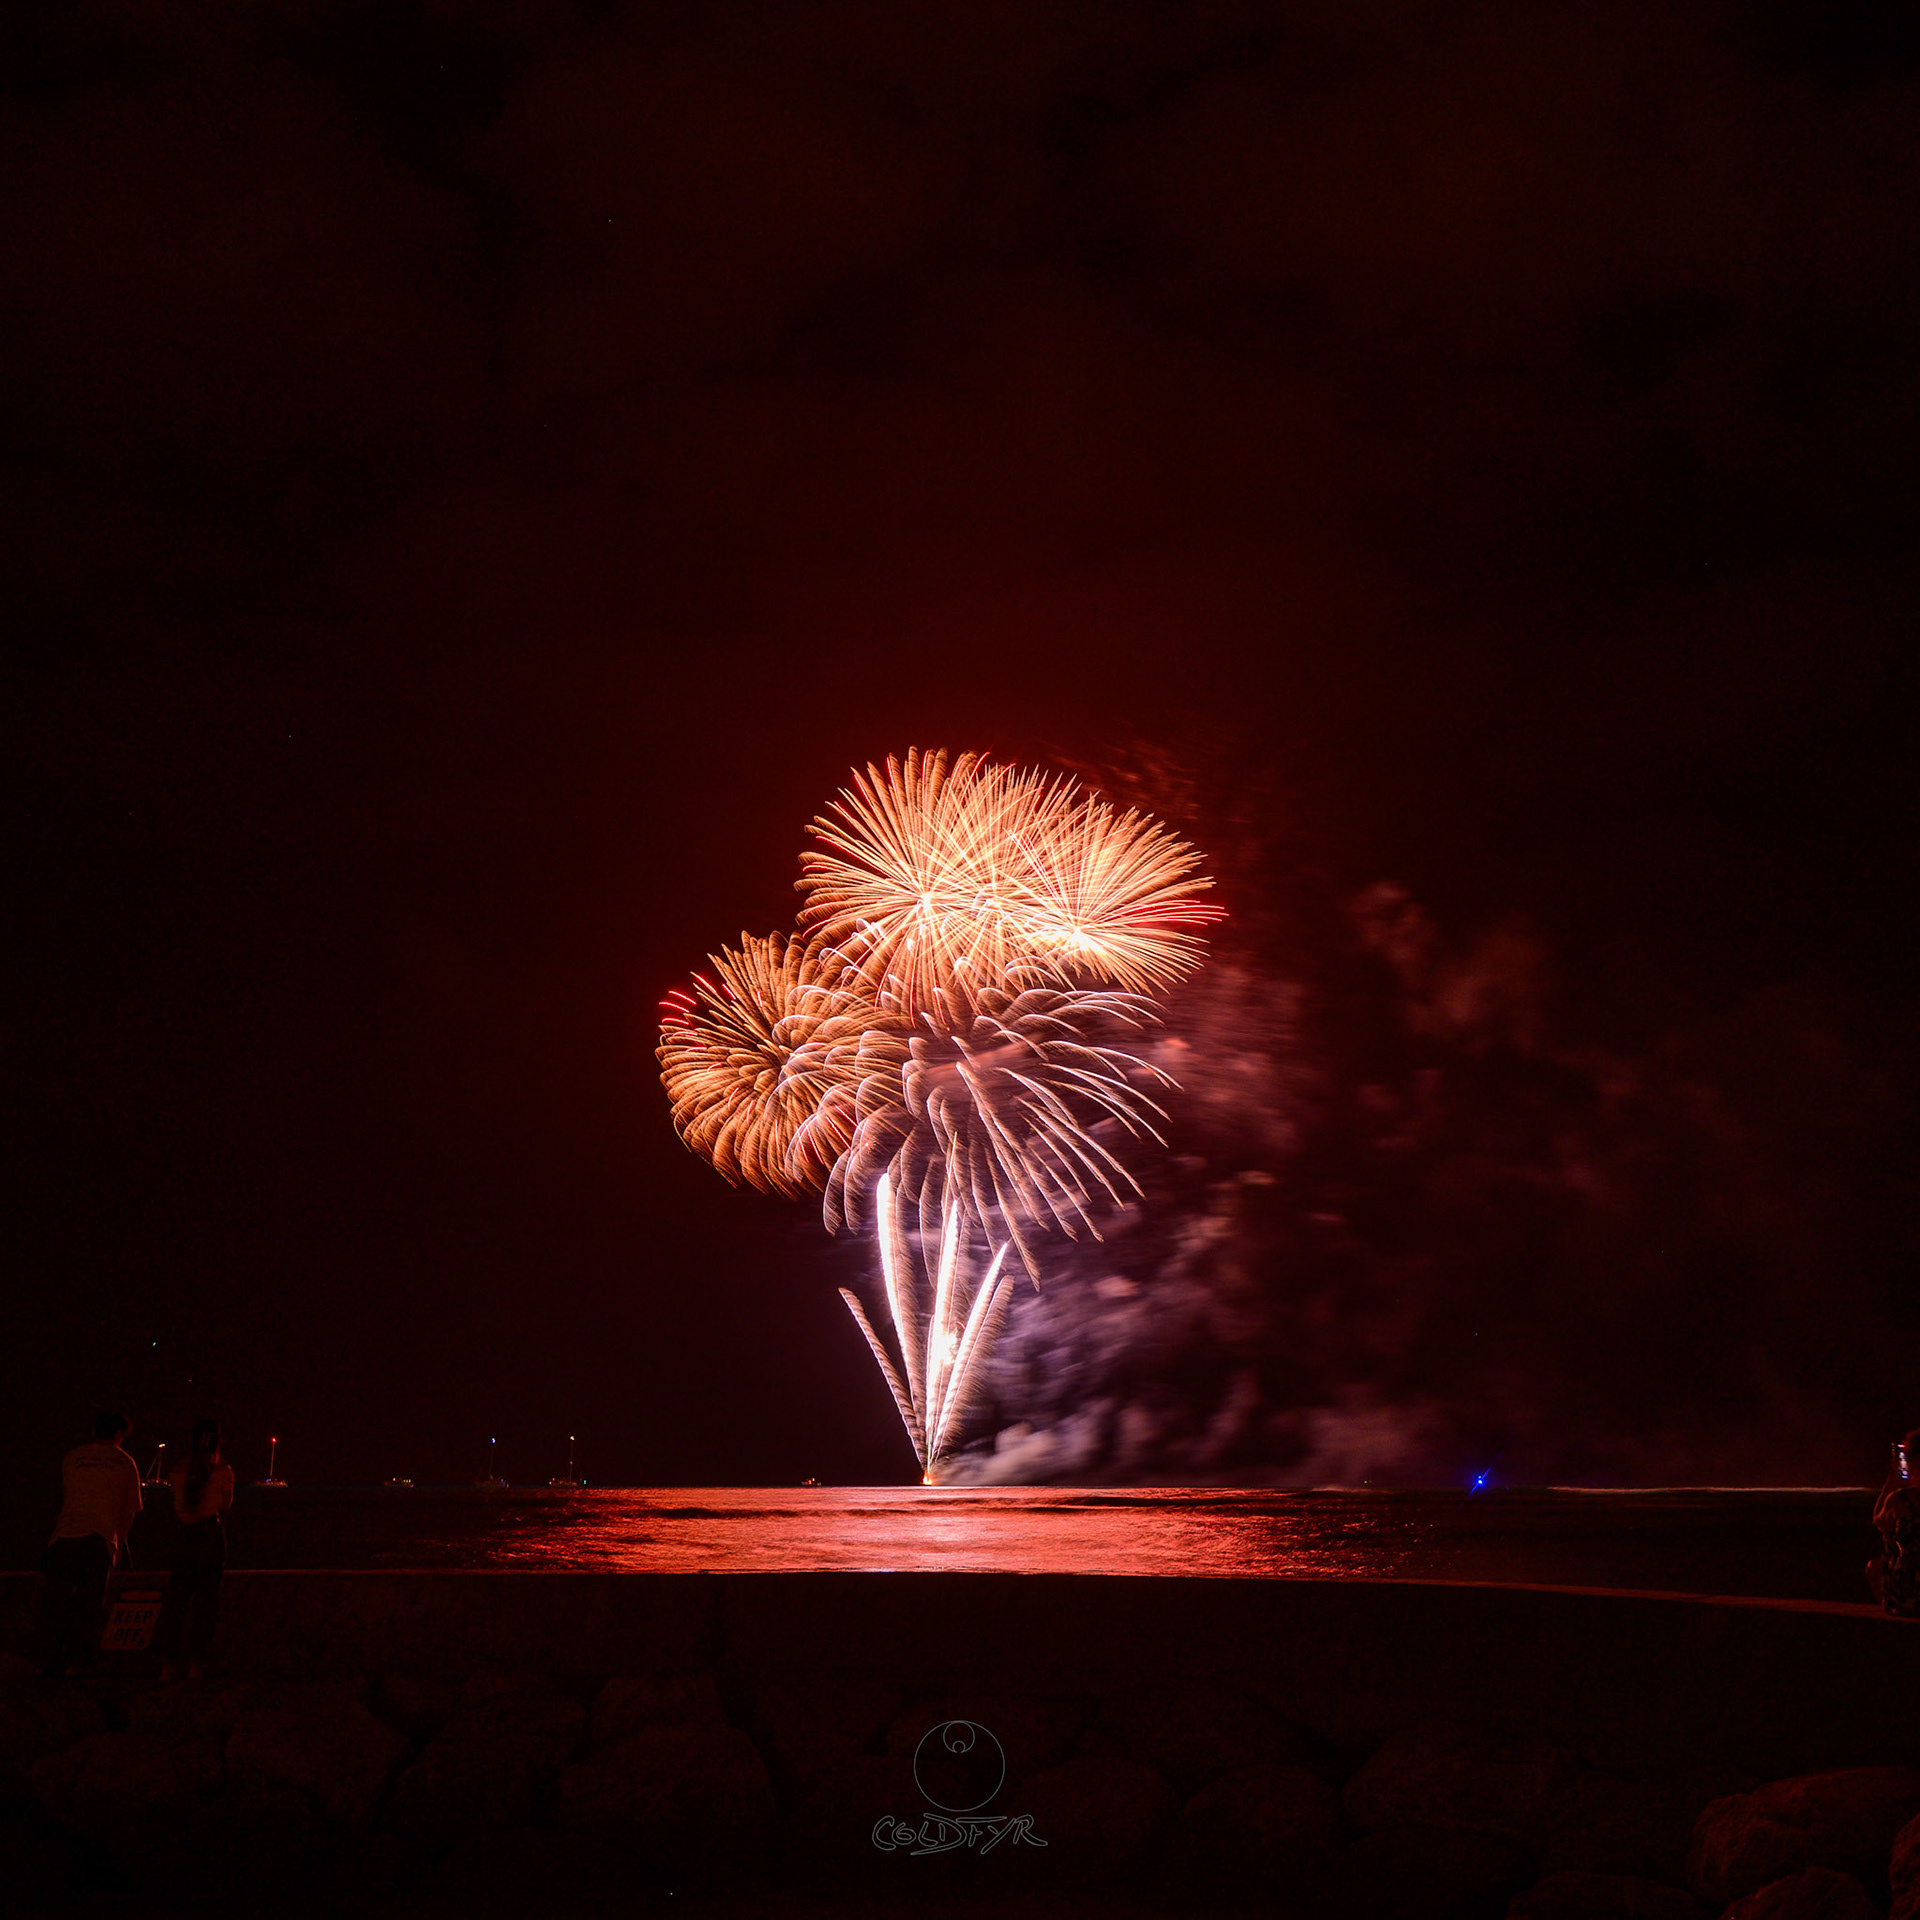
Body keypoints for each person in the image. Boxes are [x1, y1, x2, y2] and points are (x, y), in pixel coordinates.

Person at [34, 1409, 143, 1677]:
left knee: (55, 1602)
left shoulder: (73, 1457)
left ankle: (46, 1661)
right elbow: (128, 1512)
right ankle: (77, 1664)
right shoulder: (125, 1462)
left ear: (94, 1430)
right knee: (89, 1606)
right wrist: (117, 1545)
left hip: (64, 1537)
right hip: (99, 1539)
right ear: (119, 1434)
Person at [153, 1419, 235, 1679]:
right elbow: (225, 1505)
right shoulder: (224, 1471)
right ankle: (196, 1663)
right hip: (209, 1536)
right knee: (205, 1605)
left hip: (183, 1536)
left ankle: (167, 1663)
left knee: (176, 1603)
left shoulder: (177, 1471)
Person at [1868, 1428, 1920, 1618]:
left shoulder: (1901, 1500)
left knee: (1875, 1567)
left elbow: (1880, 1521)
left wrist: (1892, 1480)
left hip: (1910, 1592)